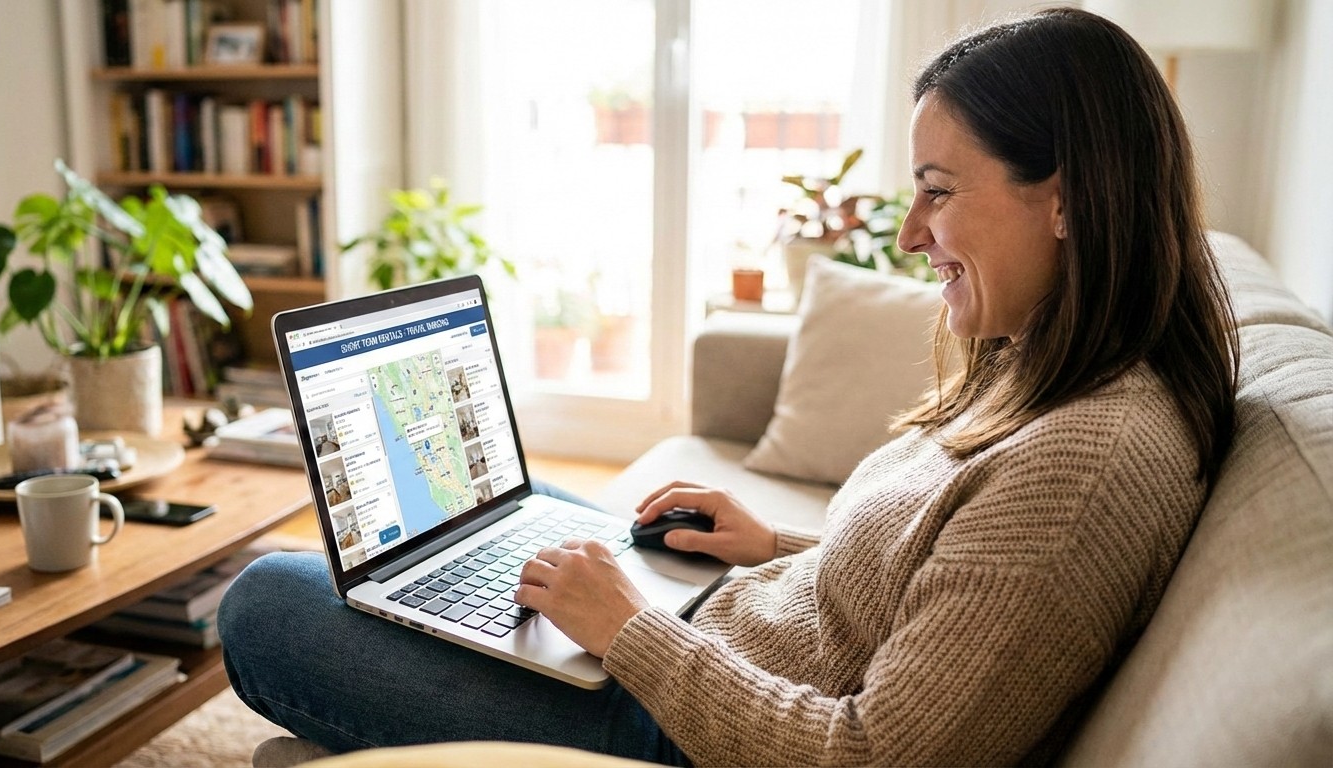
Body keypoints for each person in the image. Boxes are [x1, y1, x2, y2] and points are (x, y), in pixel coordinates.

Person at [218, 7, 1239, 765]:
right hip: (724, 640)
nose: (908, 233)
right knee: (515, 522)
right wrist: (778, 548)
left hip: (682, 724)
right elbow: (953, 589)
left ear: (1061, 201)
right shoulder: (1067, 371)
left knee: (266, 599)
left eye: (937, 189)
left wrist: (628, 630)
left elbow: (871, 755)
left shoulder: (1085, 466)